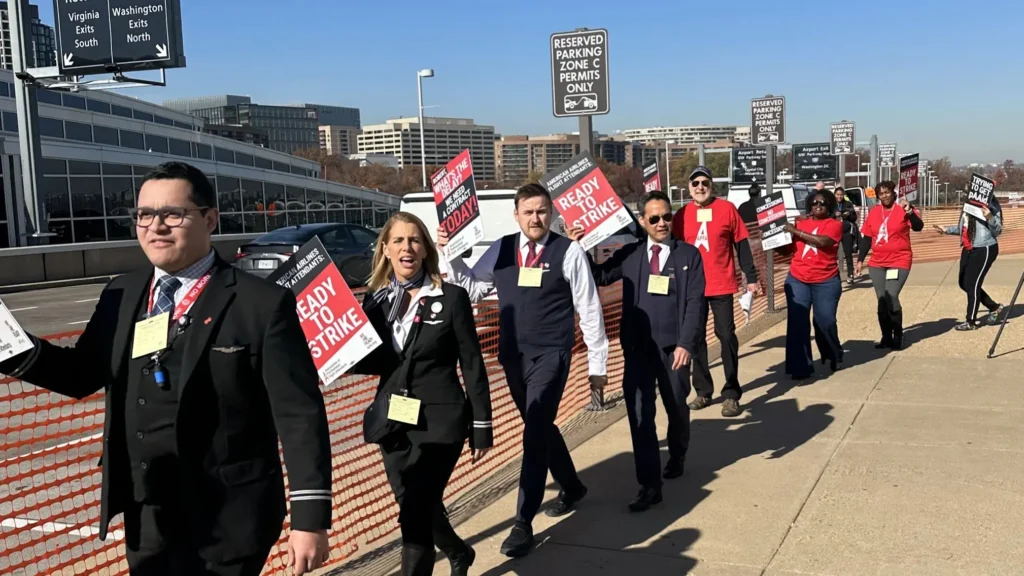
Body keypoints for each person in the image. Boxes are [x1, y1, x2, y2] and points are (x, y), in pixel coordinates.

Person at [0, 162, 332, 576]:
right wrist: (6, 343)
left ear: (209, 219)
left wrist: (311, 517)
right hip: (147, 512)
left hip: (230, 516)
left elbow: (299, 415)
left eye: (173, 214)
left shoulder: (261, 304)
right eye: (144, 215)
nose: (156, 226)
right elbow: (79, 374)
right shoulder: (122, 293)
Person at [435, 183, 608, 558]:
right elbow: (469, 288)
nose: (535, 218)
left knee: (534, 432)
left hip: (552, 354)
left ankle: (522, 523)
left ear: (552, 214)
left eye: (542, 211)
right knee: (539, 425)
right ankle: (572, 486)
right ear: (516, 215)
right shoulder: (502, 248)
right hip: (513, 355)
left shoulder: (569, 251)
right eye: (528, 211)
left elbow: (590, 309)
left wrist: (598, 365)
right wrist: (448, 252)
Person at [355, 212, 492, 576]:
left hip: (441, 420)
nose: (407, 248)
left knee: (415, 506)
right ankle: (458, 551)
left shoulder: (450, 297)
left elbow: (473, 364)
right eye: (398, 241)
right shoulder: (374, 303)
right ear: (385, 249)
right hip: (394, 420)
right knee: (412, 501)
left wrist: (482, 425)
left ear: (426, 249)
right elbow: (370, 362)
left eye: (414, 240)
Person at [568, 191, 705, 511]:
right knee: (641, 416)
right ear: (642, 221)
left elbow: (696, 304)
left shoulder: (689, 255)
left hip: (675, 351)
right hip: (637, 350)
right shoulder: (629, 254)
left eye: (666, 216)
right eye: (654, 218)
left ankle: (678, 451)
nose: (661, 223)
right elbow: (600, 276)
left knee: (677, 410)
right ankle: (649, 485)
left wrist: (687, 343)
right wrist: (580, 247)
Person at [671, 166, 758, 417]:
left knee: (726, 335)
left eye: (704, 182)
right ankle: (703, 391)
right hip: (691, 287)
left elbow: (741, 244)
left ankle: (731, 393)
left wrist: (750, 277)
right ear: (689, 188)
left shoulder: (727, 209)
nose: (700, 187)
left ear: (712, 186)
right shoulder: (682, 214)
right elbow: (672, 248)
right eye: (695, 182)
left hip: (721, 284)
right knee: (695, 339)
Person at [781, 189, 845, 379]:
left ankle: (833, 353)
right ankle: (801, 367)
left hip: (826, 280)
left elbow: (823, 242)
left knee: (825, 321)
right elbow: (786, 251)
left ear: (830, 206)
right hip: (798, 278)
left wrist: (796, 231)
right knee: (798, 323)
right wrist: (774, 238)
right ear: (809, 204)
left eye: (823, 203)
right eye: (815, 202)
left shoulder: (834, 225)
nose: (818, 205)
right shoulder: (800, 222)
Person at [855, 181, 924, 349]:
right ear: (877, 196)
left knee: (891, 295)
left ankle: (898, 335)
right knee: (881, 300)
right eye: (881, 193)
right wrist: (860, 260)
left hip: (899, 260)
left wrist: (909, 211)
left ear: (893, 193)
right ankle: (886, 336)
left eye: (887, 192)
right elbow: (867, 238)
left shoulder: (903, 208)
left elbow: (918, 227)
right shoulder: (874, 212)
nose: (884, 195)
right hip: (877, 262)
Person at [933, 196, 1005, 331]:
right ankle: (994, 307)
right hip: (968, 248)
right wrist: (947, 230)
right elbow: (964, 228)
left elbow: (998, 230)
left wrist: (990, 217)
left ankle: (970, 321)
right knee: (964, 283)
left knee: (973, 284)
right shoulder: (968, 205)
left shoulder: (991, 205)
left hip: (985, 248)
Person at [834, 186, 859, 285]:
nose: (839, 196)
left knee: (848, 254)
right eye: (837, 195)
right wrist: (835, 215)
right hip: (834, 232)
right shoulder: (831, 205)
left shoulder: (848, 204)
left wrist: (848, 215)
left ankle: (850, 275)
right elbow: (827, 216)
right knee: (833, 255)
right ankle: (834, 276)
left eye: (841, 195)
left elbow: (854, 217)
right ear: (835, 195)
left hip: (846, 231)